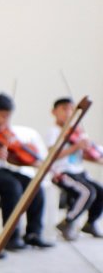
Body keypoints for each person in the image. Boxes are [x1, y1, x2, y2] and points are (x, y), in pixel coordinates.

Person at [0, 93, 54, 250]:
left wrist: (29, 160)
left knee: (34, 184)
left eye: (8, 117)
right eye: (2, 116)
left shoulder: (5, 130)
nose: (5, 121)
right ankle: (11, 237)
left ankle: (33, 233)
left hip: (1, 169)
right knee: (12, 187)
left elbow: (10, 158)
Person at [49, 97, 103, 240]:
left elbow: (85, 154)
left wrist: (95, 155)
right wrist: (76, 146)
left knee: (100, 190)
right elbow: (52, 155)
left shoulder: (77, 133)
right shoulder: (55, 132)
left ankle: (90, 223)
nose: (68, 112)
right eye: (64, 109)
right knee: (86, 192)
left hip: (79, 172)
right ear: (54, 112)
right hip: (62, 173)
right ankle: (68, 222)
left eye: (71, 109)